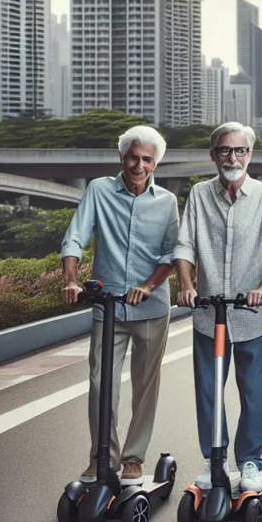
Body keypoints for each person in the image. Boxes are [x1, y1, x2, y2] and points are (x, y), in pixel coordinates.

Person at [174, 122, 262, 493]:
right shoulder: (198, 194)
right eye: (225, 150)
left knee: (253, 393)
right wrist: (188, 286)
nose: (233, 157)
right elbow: (185, 247)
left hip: (253, 316)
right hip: (209, 314)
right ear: (213, 155)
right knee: (209, 391)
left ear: (250, 155)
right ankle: (214, 460)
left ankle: (251, 463)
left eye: (240, 151)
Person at [61, 125, 179, 486]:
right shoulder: (98, 190)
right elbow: (75, 236)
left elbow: (172, 254)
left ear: (155, 163)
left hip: (152, 307)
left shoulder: (167, 201)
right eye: (133, 157)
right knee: (101, 384)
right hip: (107, 305)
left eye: (146, 159)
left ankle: (132, 458)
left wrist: (147, 286)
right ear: (122, 158)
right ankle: (101, 457)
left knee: (145, 386)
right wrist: (70, 279)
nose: (139, 165)